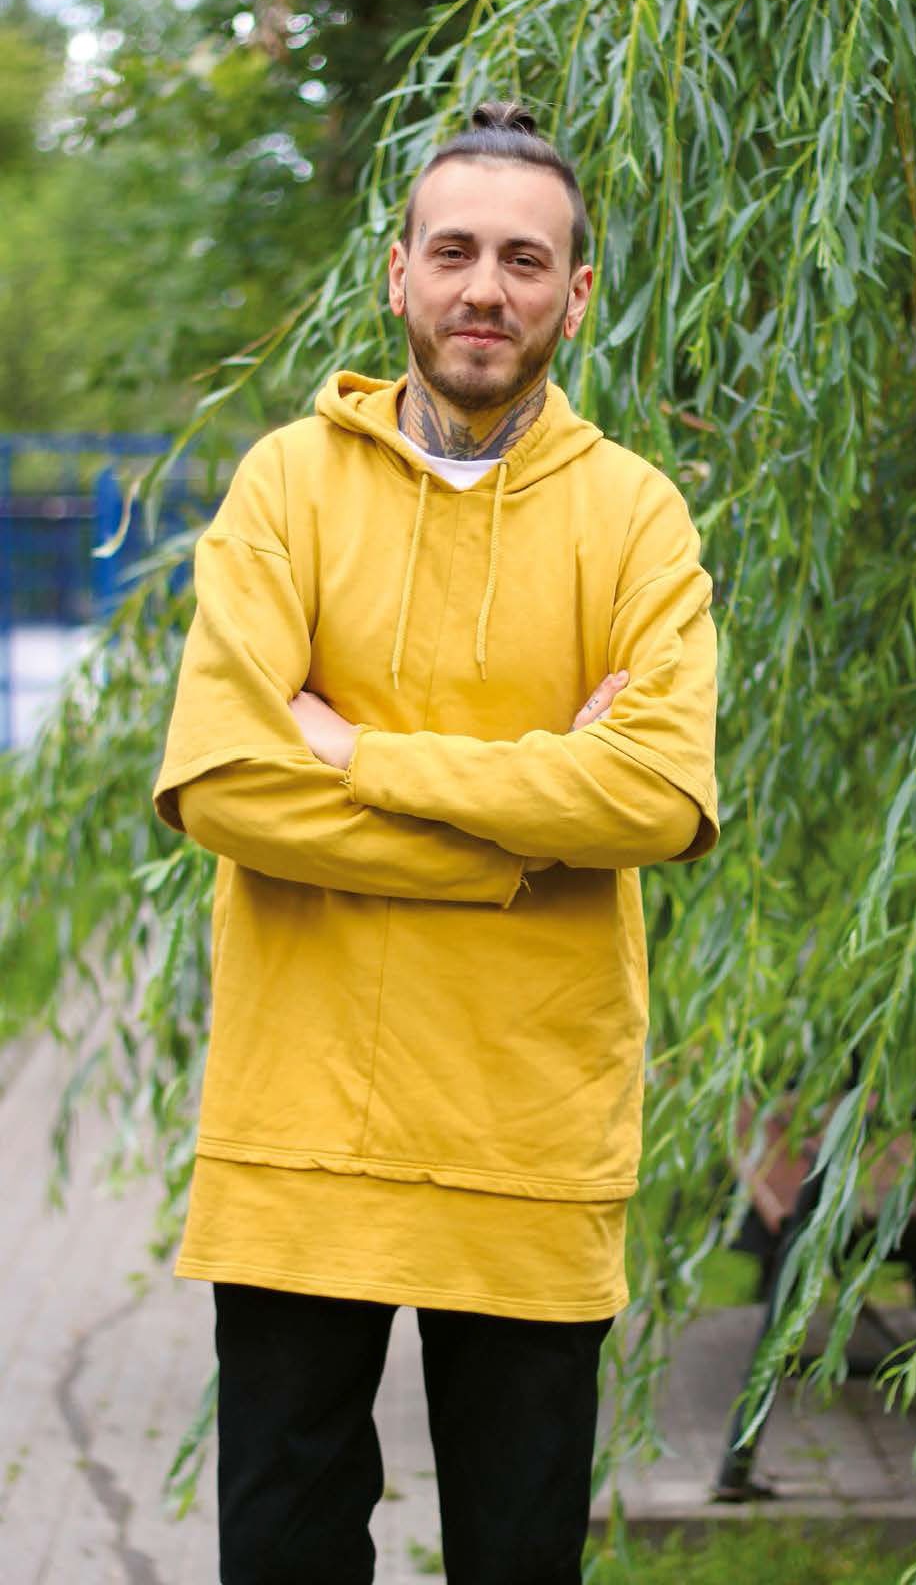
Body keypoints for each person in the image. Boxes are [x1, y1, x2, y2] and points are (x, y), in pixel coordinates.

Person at [153, 101, 720, 1585]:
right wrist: (513, 845)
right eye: (454, 251)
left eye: (524, 261)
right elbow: (223, 785)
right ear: (397, 272)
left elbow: (659, 797)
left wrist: (361, 753)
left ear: (575, 296)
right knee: (282, 1554)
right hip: (300, 1135)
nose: (486, 287)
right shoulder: (288, 487)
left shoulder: (637, 518)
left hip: (527, 1138)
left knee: (520, 1558)